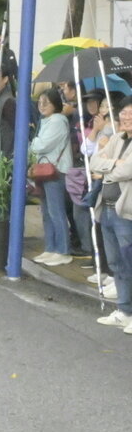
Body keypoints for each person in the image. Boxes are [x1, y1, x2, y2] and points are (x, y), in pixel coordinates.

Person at [91, 102, 132, 331]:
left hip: (126, 212)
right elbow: (94, 161)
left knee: (129, 262)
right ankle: (124, 311)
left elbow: (128, 170)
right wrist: (114, 163)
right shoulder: (117, 138)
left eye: (131, 113)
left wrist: (105, 172)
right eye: (124, 112)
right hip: (106, 208)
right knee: (116, 262)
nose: (126, 117)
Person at [30, 87, 74, 266]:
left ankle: (63, 251)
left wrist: (32, 140)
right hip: (46, 171)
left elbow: (41, 146)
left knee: (55, 211)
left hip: (56, 171)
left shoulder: (57, 120)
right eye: (40, 102)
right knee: (47, 212)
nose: (42, 106)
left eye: (46, 102)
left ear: (56, 104)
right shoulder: (46, 120)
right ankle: (50, 248)